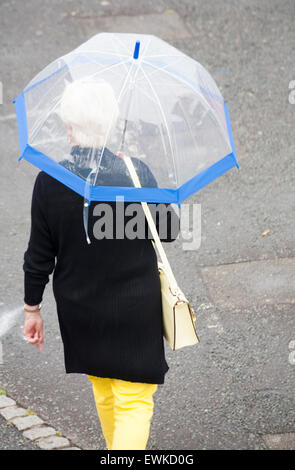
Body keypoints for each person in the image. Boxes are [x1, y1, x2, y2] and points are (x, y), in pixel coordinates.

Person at [22, 78, 180, 450]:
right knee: (133, 401)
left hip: (81, 310)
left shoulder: (49, 181)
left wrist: (32, 308)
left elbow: (38, 256)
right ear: (110, 125)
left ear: (68, 127)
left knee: (106, 389)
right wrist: (138, 186)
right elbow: (169, 229)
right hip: (134, 310)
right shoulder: (135, 173)